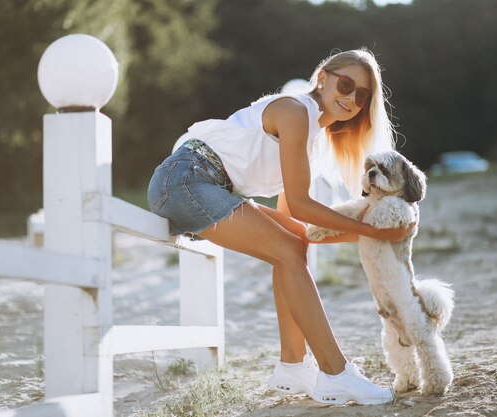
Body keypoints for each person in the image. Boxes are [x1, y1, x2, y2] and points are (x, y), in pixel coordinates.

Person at [148, 48, 410, 405]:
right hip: (184, 180)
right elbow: (303, 204)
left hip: (206, 186)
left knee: (292, 247)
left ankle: (292, 365)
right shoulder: (294, 110)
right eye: (345, 84)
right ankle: (335, 372)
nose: (350, 98)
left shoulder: (312, 141)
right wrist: (372, 231)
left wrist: (364, 234)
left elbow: (297, 225)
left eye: (361, 95)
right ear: (322, 78)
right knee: (287, 250)